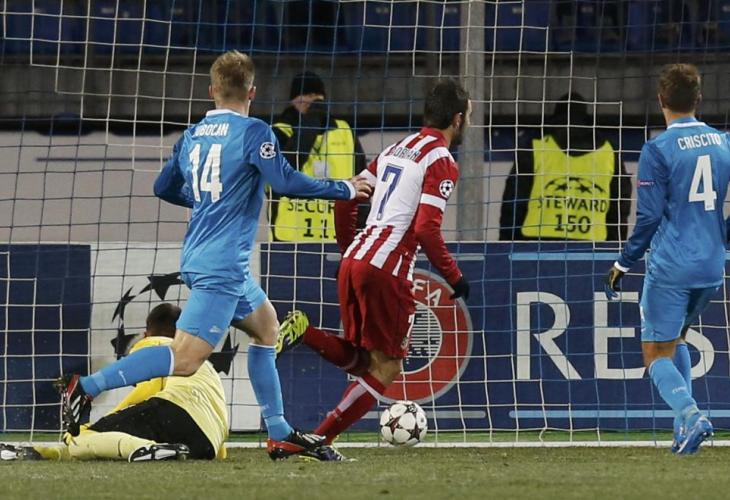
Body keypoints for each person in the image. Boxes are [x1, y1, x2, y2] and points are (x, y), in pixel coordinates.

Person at [55, 50, 372, 461]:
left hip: (213, 258)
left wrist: (207, 201)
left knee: (267, 329)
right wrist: (344, 188)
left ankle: (279, 432)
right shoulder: (255, 132)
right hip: (221, 265)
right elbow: (284, 181)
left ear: (212, 90)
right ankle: (86, 387)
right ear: (252, 92)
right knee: (185, 360)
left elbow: (162, 187)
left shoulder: (193, 135)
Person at [276, 79, 471, 460]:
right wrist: (454, 276)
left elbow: (345, 196)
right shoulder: (442, 161)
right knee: (387, 367)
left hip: (357, 258)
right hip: (387, 268)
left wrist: (351, 250)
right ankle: (319, 440)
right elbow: (426, 229)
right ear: (458, 119)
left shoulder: (396, 149)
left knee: (363, 359)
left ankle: (305, 332)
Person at [604, 63, 728, 455]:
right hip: (712, 266)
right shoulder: (723, 142)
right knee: (678, 339)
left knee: (655, 353)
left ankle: (692, 416)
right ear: (698, 99)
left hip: (672, 266)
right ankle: (683, 433)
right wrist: (722, 233)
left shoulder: (657, 149)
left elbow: (649, 217)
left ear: (660, 100)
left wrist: (624, 262)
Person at [3, 304, 227, 462]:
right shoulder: (200, 362)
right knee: (102, 444)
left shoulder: (155, 345)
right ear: (182, 333)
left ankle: (145, 449)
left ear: (146, 333)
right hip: (207, 443)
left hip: (175, 413)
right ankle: (42, 453)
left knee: (82, 439)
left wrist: (105, 422)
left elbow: (150, 389)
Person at [499, 92, 631, 241]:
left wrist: (507, 243)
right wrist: (614, 246)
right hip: (592, 246)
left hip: (537, 245)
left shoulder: (536, 147)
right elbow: (619, 207)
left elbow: (514, 202)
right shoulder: (608, 151)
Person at [270, 71, 367, 241]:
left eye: (318, 95)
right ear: (294, 100)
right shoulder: (278, 132)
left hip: (337, 237)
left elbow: (363, 182)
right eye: (307, 94)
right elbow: (287, 169)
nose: (314, 100)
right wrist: (312, 120)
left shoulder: (344, 131)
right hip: (289, 239)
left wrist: (360, 228)